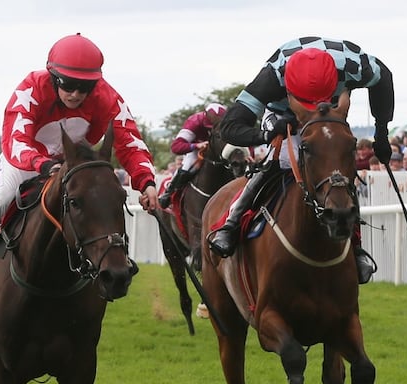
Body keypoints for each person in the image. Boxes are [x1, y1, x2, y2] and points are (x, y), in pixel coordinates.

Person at [0, 33, 158, 273]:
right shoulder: (31, 88)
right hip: (24, 162)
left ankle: (108, 262)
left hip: (70, 164)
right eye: (67, 84)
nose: (75, 94)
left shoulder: (106, 96)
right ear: (53, 77)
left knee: (97, 202)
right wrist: (41, 164)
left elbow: (129, 141)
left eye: (84, 87)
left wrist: (146, 182)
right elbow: (15, 138)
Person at [209, 38, 395, 285]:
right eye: (309, 101)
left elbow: (385, 80)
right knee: (286, 158)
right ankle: (231, 224)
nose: (313, 105)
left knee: (336, 160)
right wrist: (268, 134)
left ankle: (355, 245)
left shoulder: (355, 66)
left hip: (330, 114)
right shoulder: (273, 76)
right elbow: (230, 128)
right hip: (283, 114)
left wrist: (381, 135)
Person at [158, 103, 227, 207]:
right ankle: (169, 193)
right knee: (187, 166)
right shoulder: (194, 122)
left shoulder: (227, 124)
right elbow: (176, 147)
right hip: (198, 151)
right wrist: (196, 146)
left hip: (219, 151)